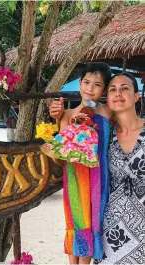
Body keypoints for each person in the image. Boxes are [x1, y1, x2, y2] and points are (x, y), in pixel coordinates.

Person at [49, 62, 112, 264]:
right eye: (86, 82)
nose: (90, 89)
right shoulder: (67, 115)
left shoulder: (107, 112)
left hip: (98, 177)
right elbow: (60, 155)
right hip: (75, 177)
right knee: (76, 221)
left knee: (93, 220)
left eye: (97, 85)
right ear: (79, 83)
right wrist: (60, 120)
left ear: (104, 89)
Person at [94, 73, 145, 264]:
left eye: (125, 88)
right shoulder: (103, 137)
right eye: (112, 90)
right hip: (112, 229)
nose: (118, 94)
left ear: (136, 96)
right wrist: (60, 117)